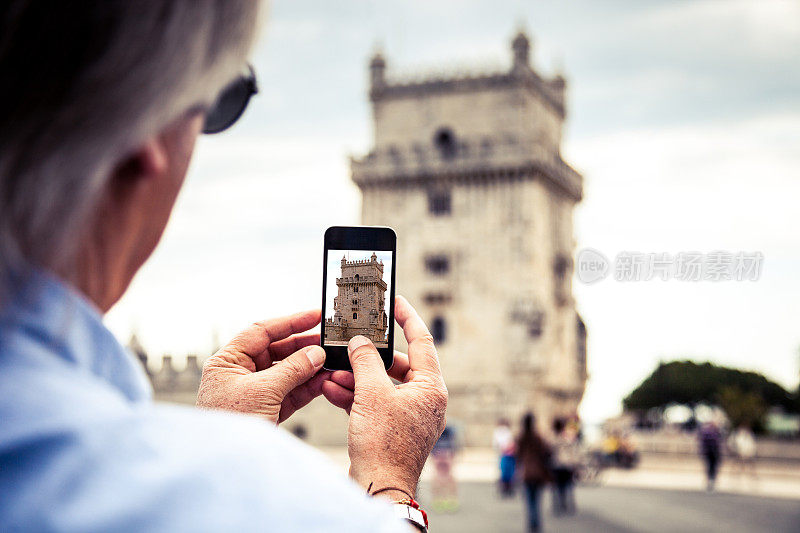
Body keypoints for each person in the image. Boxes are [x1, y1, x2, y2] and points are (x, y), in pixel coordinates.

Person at [0, 3, 448, 531]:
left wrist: (213, 437)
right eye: (219, 100)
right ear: (147, 129)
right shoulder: (246, 499)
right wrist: (391, 483)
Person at [516, 413, 551, 533]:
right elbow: (546, 453)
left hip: (526, 473)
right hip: (538, 472)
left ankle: (532, 522)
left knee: (529, 500)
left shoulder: (520, 438)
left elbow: (518, 456)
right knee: (537, 500)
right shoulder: (538, 437)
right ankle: (536, 523)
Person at [550, 417, 582, 515]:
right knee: (568, 486)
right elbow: (574, 453)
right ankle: (568, 505)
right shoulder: (568, 439)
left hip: (558, 465)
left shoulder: (553, 439)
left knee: (558, 487)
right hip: (567, 465)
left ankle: (559, 505)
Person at [430, 425, 461, 512]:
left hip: (441, 453)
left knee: (445, 476)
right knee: (441, 476)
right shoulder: (449, 431)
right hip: (445, 453)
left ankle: (446, 499)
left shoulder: (446, 430)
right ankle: (442, 499)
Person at [492, 418, 517, 496]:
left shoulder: (498, 431)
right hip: (507, 454)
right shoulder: (505, 431)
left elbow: (496, 443)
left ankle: (505, 488)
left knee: (504, 471)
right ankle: (507, 488)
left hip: (504, 454)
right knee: (508, 472)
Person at [698, 421, 723, 491]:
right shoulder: (713, 433)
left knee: (711, 467)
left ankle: (711, 480)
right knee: (711, 467)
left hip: (711, 452)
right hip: (711, 452)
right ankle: (711, 480)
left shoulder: (709, 432)